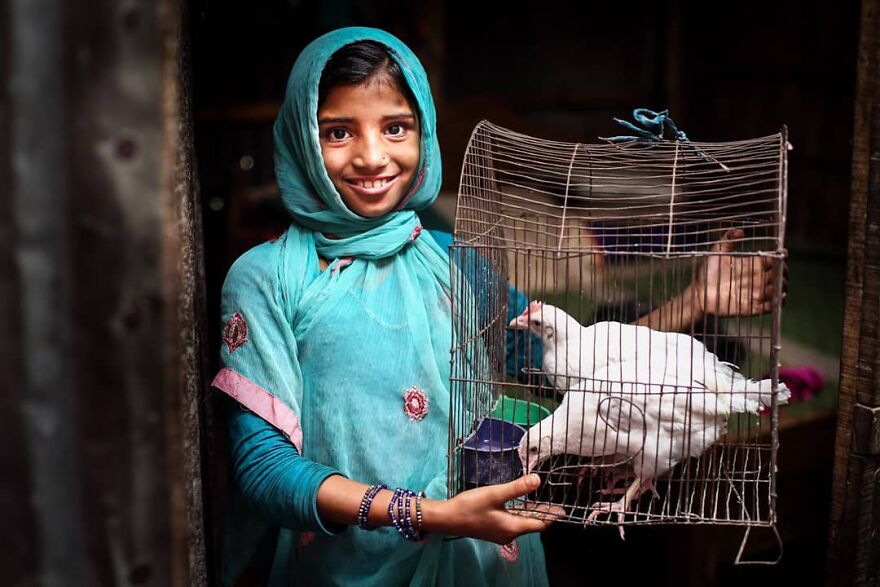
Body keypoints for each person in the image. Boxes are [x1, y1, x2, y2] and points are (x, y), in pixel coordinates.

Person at [211, 26, 783, 586]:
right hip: (350, 568)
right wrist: (428, 514)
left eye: (395, 127)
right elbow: (263, 469)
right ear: (301, 138)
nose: (372, 156)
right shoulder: (269, 279)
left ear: (424, 131)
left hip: (483, 561)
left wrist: (694, 301)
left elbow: (570, 362)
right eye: (339, 132)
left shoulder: (452, 259)